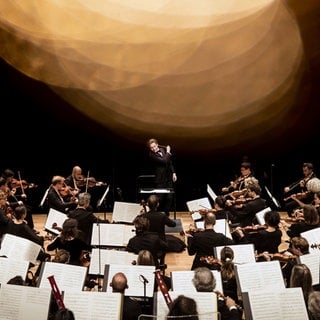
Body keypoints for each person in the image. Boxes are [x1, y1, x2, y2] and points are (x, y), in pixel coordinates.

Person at [147, 138, 177, 216]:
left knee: (170, 197)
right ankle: (154, 214)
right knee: (159, 198)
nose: (153, 149)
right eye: (151, 148)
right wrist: (168, 152)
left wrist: (173, 173)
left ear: (157, 144)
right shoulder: (151, 155)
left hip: (169, 178)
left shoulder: (162, 150)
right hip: (160, 179)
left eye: (154, 146)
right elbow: (164, 161)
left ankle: (166, 213)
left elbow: (169, 162)